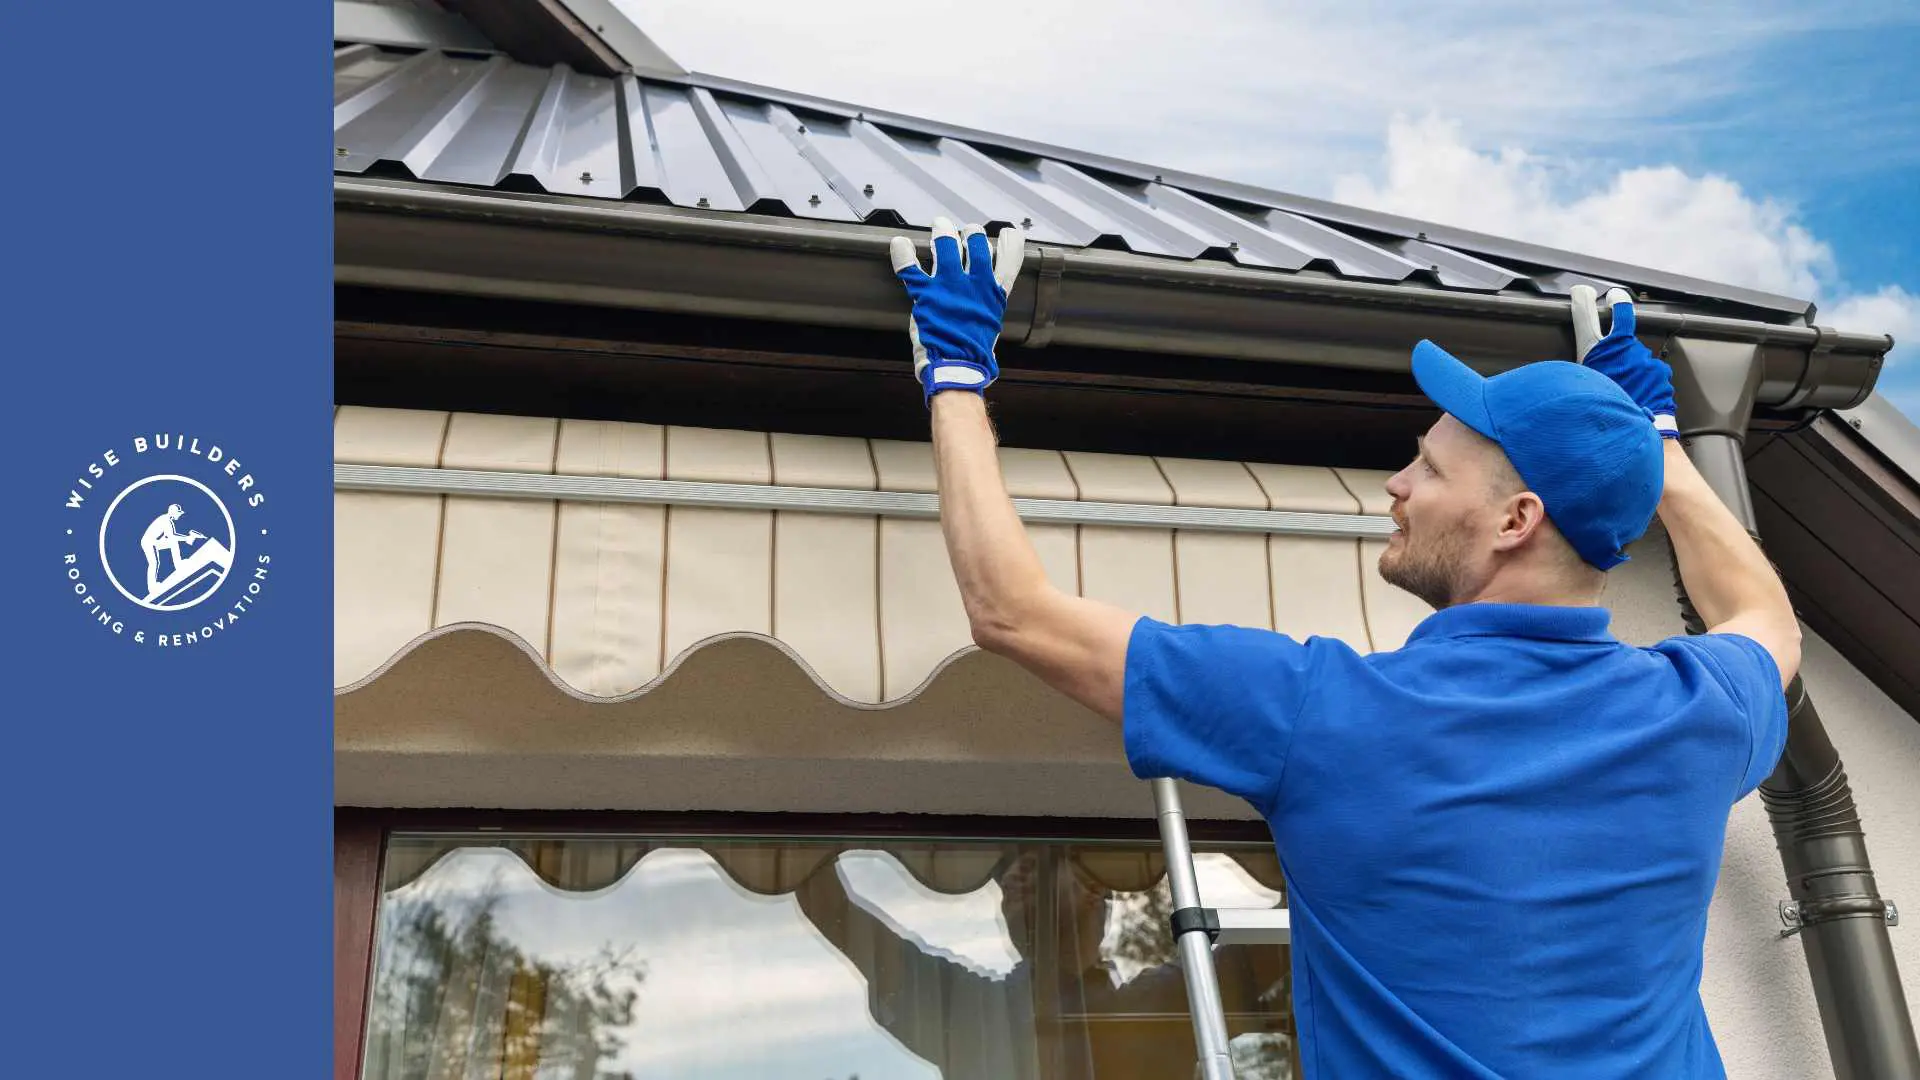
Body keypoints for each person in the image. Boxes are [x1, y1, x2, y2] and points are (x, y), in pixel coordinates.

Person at [886, 218, 1796, 1079]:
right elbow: (1765, 616)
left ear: (1517, 521)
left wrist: (956, 376)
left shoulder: (1327, 714)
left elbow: (1011, 611)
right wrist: (1657, 449)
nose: (1398, 486)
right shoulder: (1697, 713)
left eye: (1431, 469)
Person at [140, 503, 206, 596]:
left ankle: (178, 564)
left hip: (155, 541)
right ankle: (152, 588)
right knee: (154, 563)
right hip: (149, 543)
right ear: (173, 512)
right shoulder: (165, 520)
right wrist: (187, 538)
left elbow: (170, 537)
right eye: (178, 513)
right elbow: (172, 536)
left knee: (173, 543)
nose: (180, 515)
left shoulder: (167, 519)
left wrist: (187, 538)